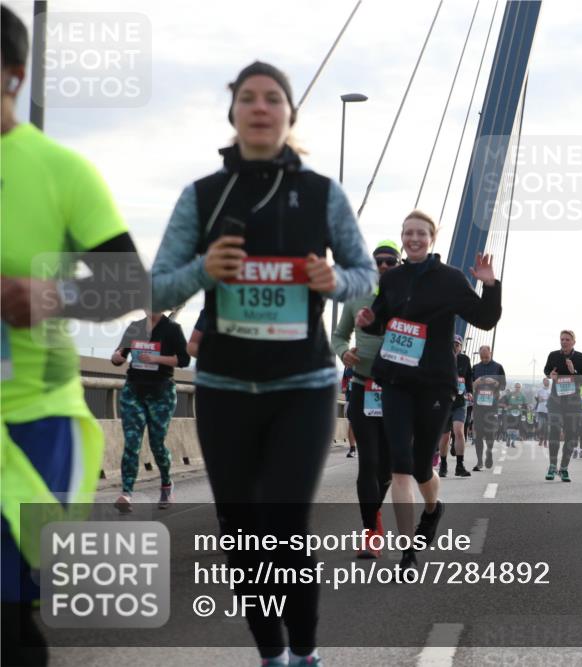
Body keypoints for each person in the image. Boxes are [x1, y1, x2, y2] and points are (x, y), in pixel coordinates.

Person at [151, 61, 377, 666]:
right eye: (247, 98)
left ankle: (305, 655)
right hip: (225, 388)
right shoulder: (201, 194)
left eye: (272, 98)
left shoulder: (323, 193)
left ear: (288, 114)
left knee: (283, 531)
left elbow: (366, 277)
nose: (259, 107)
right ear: (233, 113)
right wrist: (206, 271)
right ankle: (272, 656)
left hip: (301, 386)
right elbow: (157, 290)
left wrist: (335, 280)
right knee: (244, 541)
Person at [1, 7, 150, 664]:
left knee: (9, 619)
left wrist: (51, 294)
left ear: (14, 76)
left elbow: (128, 287)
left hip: (32, 425)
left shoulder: (60, 170)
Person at [356, 210, 501, 574]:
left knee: (422, 464)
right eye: (408, 233)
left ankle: (434, 510)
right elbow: (377, 318)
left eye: (421, 233)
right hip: (395, 381)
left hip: (434, 383)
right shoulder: (393, 279)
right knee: (400, 466)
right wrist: (366, 319)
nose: (414, 238)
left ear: (431, 237)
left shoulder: (450, 279)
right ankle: (406, 553)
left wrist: (489, 284)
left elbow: (485, 318)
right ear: (402, 237)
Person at [332, 239, 401, 558]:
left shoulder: (406, 298)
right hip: (362, 386)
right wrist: (344, 352)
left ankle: (375, 517)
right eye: (379, 262)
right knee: (369, 461)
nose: (384, 267)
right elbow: (338, 335)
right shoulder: (356, 296)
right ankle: (371, 531)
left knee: (387, 469)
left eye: (391, 262)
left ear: (398, 265)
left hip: (397, 390)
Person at [110, 311, 191, 512]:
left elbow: (184, 359)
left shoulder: (172, 329)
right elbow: (119, 355)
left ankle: (166, 484)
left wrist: (157, 359)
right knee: (131, 442)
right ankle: (126, 493)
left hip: (161, 393)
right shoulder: (135, 327)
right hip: (133, 391)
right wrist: (117, 357)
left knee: (157, 443)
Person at [543, 330, 582, 482]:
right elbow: (546, 370)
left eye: (567, 339)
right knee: (554, 433)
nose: (564, 342)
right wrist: (551, 375)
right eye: (562, 339)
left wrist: (573, 371)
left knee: (571, 436)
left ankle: (563, 468)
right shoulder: (553, 355)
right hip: (556, 401)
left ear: (573, 342)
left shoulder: (581, 357)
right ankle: (552, 466)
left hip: (573, 403)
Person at [437, 334, 472, 477]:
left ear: (461, 347)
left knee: (459, 431)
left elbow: (469, 377)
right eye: (452, 344)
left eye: (457, 345)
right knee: (445, 436)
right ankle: (443, 465)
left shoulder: (465, 360)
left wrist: (469, 391)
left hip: (460, 401)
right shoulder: (440, 358)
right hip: (444, 401)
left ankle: (459, 465)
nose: (455, 347)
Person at [471, 345, 506, 470]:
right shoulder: (475, 368)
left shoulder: (498, 367)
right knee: (478, 433)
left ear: (490, 353)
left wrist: (496, 382)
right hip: (478, 405)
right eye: (482, 357)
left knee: (490, 433)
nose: (484, 359)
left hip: (492, 405)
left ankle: (489, 453)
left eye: (486, 357)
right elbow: (470, 386)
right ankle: (479, 461)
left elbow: (503, 385)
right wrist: (475, 383)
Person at [534, 377, 550, 448]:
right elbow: (536, 397)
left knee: (546, 427)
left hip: (548, 411)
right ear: (543, 382)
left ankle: (545, 441)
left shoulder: (551, 391)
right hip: (540, 410)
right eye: (545, 381)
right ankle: (541, 439)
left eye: (548, 381)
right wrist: (538, 399)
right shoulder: (540, 390)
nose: (547, 382)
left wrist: (548, 399)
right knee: (540, 426)